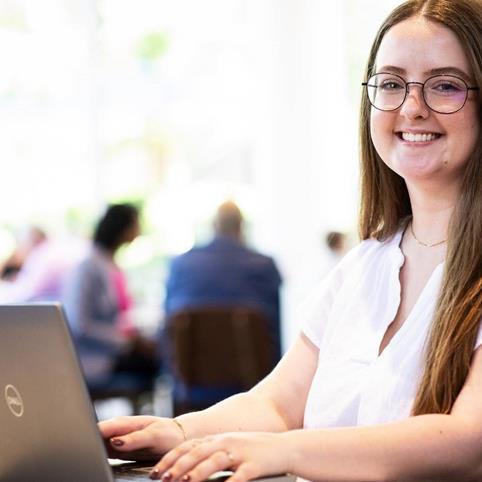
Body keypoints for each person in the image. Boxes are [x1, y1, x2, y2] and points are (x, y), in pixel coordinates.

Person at [99, 1, 482, 480]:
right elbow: (279, 406)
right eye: (391, 83)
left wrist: (287, 452)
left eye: (445, 85)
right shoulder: (364, 266)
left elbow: (470, 440)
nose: (410, 107)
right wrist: (181, 433)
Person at [163, 200, 282, 360]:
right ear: (241, 227)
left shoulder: (180, 264)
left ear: (214, 226)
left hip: (190, 378)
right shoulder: (264, 266)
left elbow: (167, 329)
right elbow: (274, 330)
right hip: (254, 376)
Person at [63, 203, 159, 392]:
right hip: (94, 359)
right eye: (135, 225)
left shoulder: (109, 264)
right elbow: (80, 325)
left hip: (111, 351)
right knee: (158, 360)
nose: (138, 232)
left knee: (159, 354)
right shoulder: (88, 268)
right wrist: (126, 342)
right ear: (123, 228)